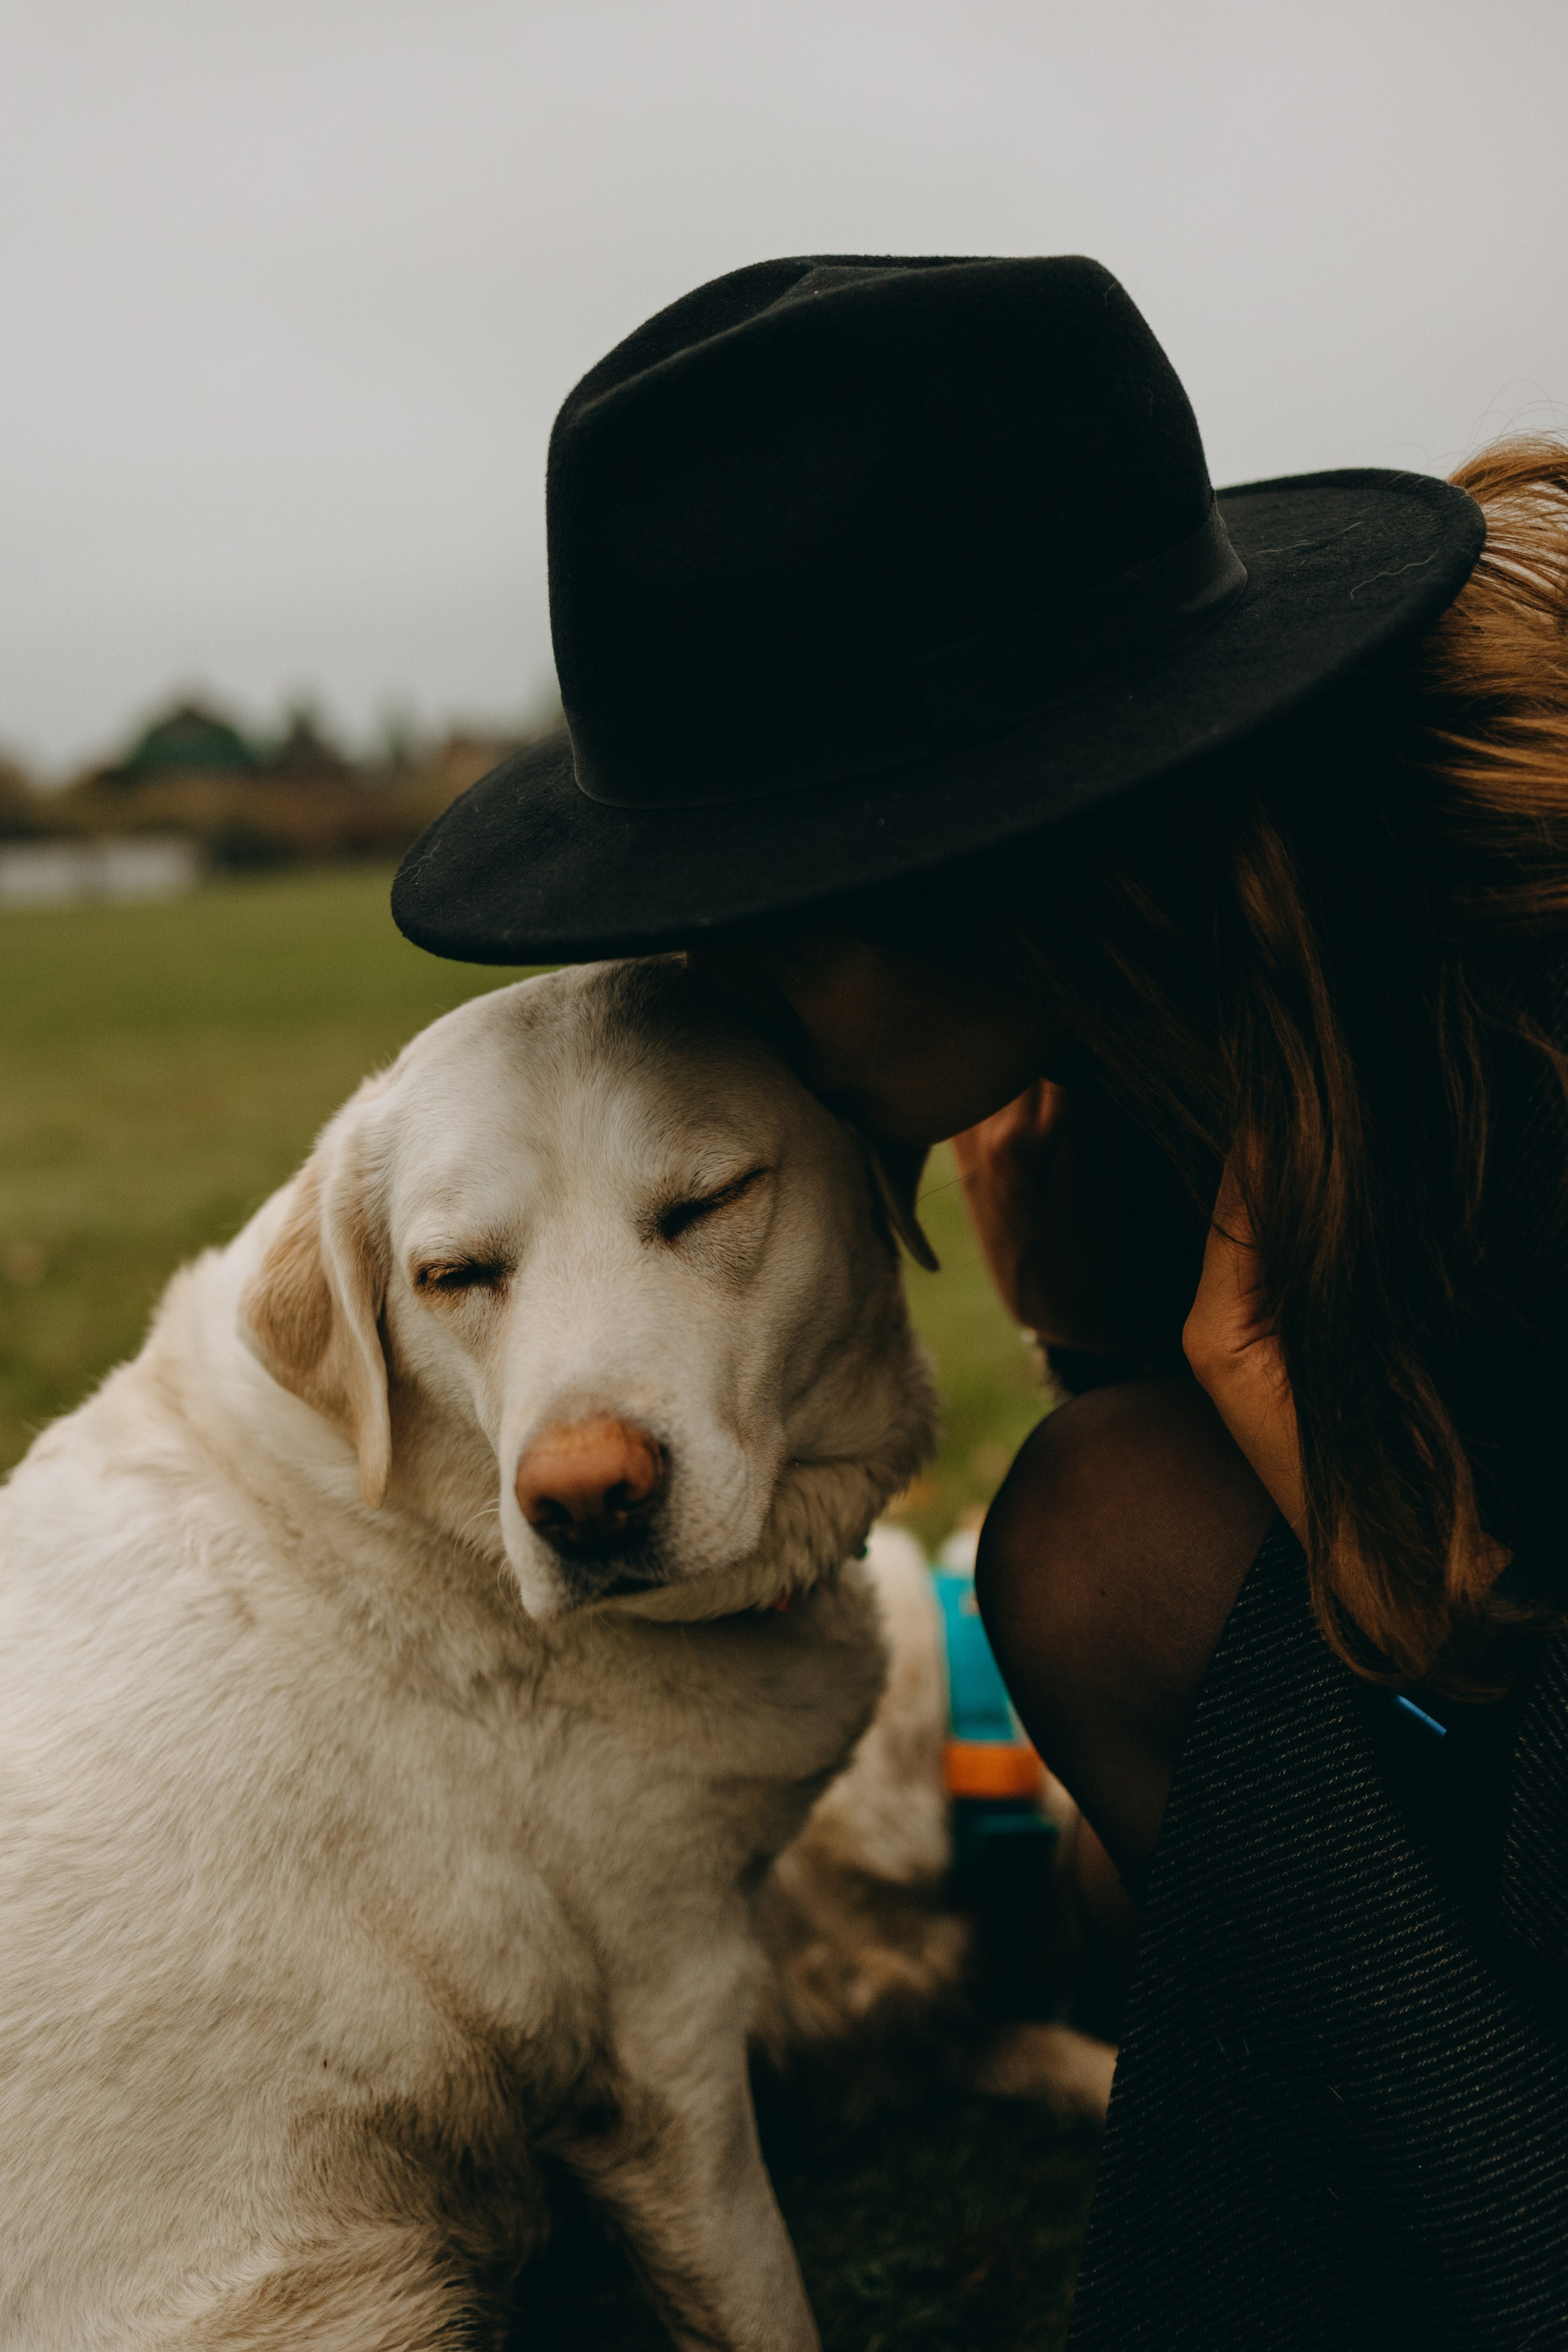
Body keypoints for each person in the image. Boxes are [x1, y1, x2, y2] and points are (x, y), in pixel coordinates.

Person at [393, 256, 1568, 2346]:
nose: (719, 1004)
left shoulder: (1509, 999)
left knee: (1110, 1543)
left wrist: (1347, 1503)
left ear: (997, 849)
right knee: (1099, 1539)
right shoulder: (1168, 1044)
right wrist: (1119, 1354)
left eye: (757, 927)